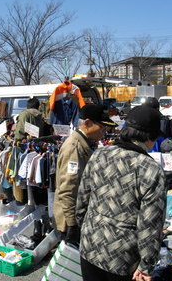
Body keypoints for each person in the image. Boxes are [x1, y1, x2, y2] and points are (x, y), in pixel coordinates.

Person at [75, 105, 166, 281]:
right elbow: (151, 224)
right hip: (123, 259)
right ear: (150, 137)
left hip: (90, 246)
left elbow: (82, 201)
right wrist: (147, 265)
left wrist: (86, 230)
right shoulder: (150, 169)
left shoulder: (100, 154)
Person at [53, 104, 117, 246]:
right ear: (87, 123)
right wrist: (72, 224)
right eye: (102, 127)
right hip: (71, 219)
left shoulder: (84, 144)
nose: (104, 132)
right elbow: (68, 189)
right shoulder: (74, 147)